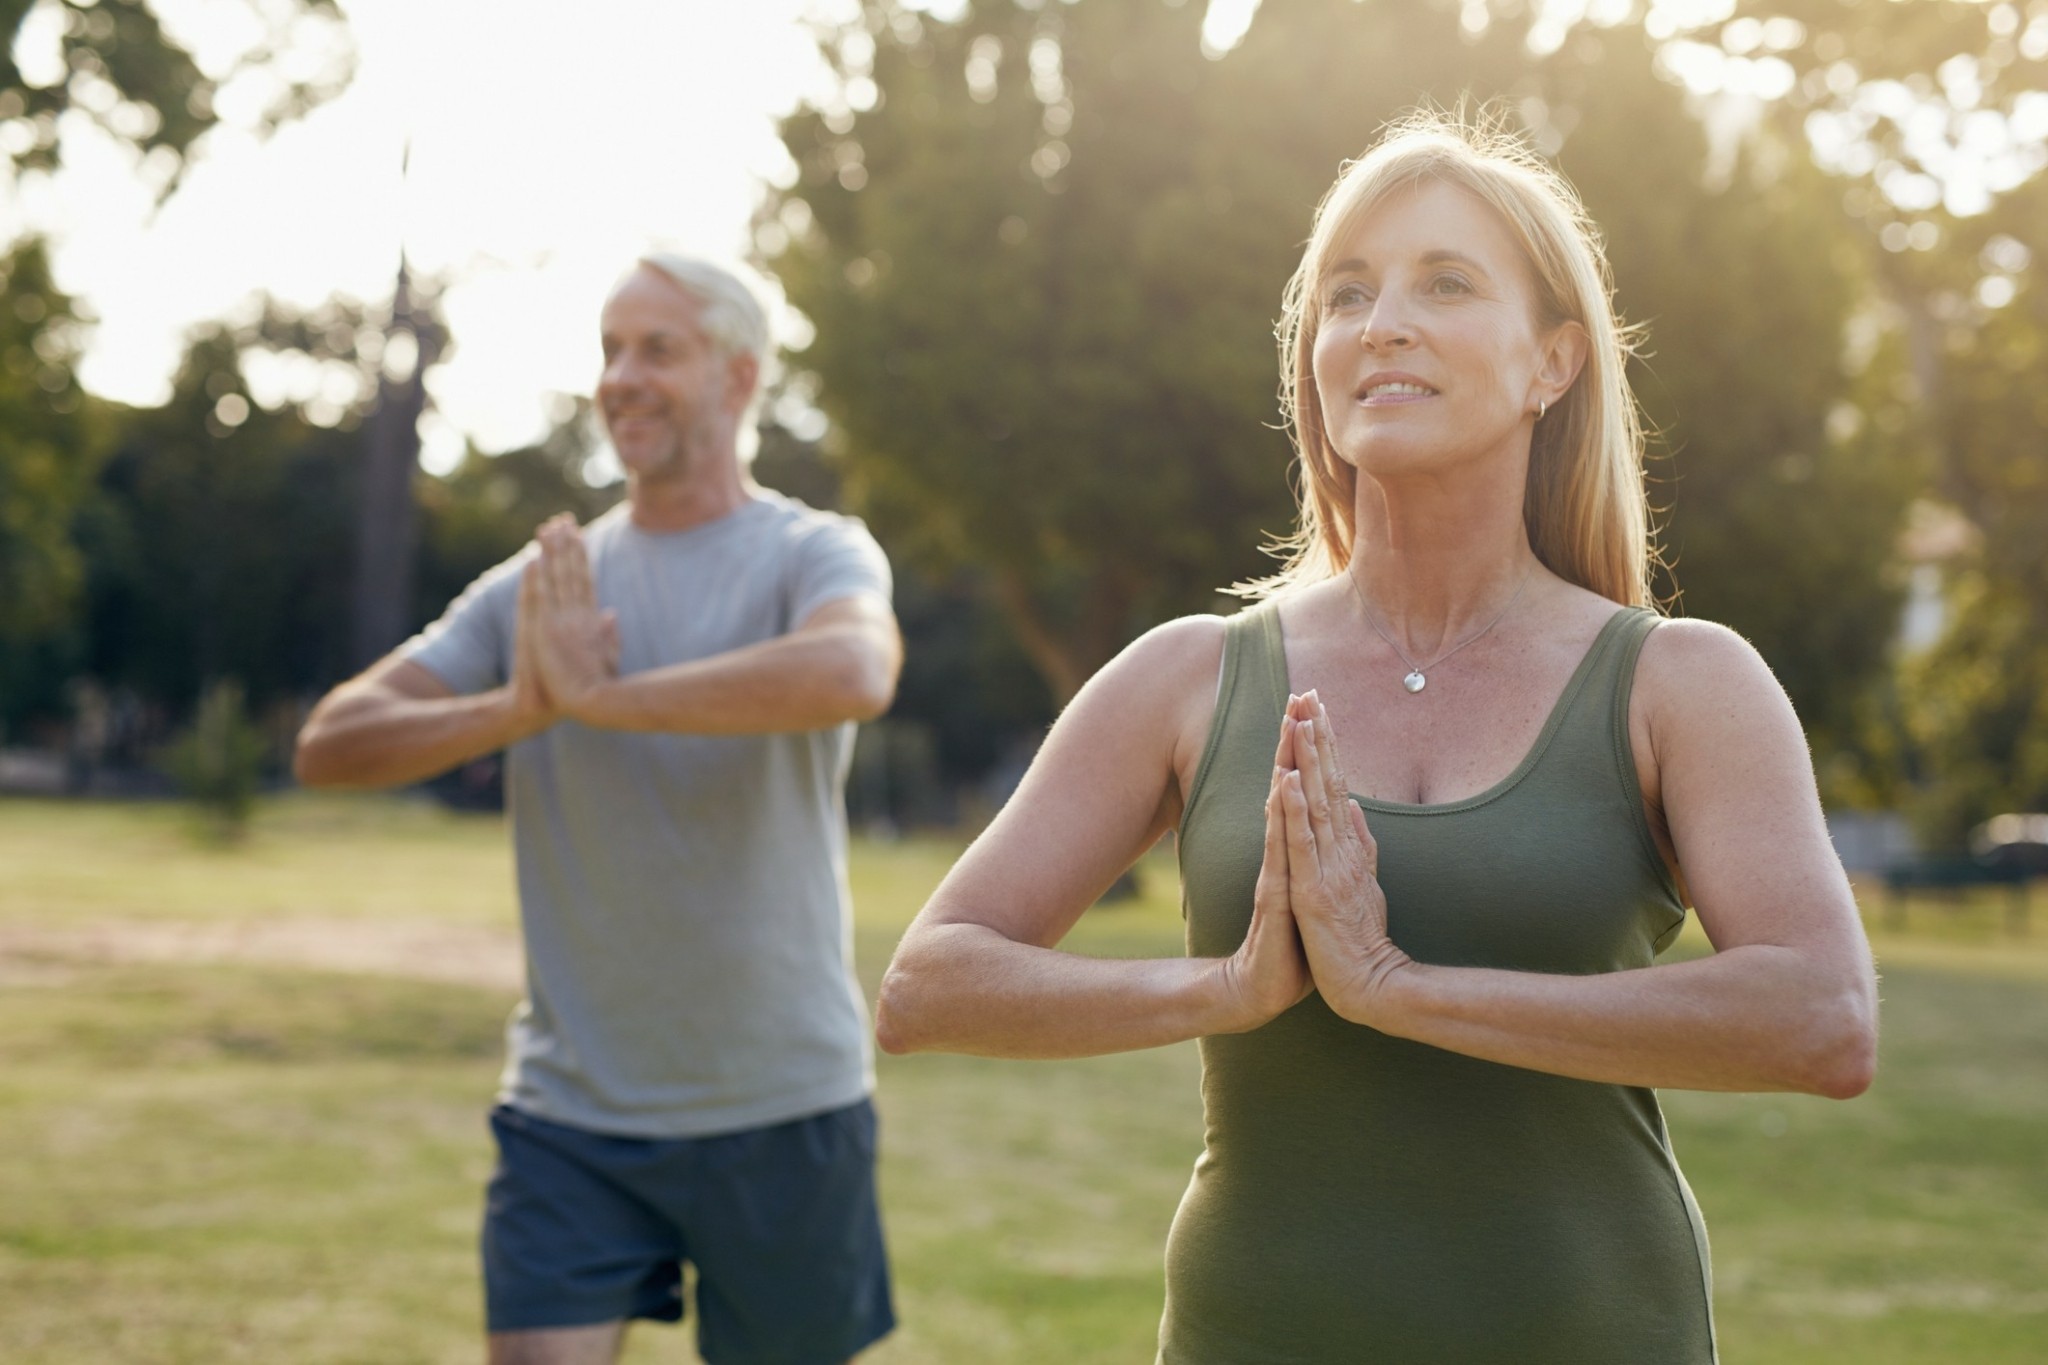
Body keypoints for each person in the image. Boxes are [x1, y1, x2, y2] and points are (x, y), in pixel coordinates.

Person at [873, 113, 1879, 1364]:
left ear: (1550, 365)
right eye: (1345, 295)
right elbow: (928, 985)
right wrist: (1227, 989)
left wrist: (1403, 992)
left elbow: (1820, 1018)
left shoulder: (1680, 682)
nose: (1379, 322)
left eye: (1443, 283)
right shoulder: (1190, 675)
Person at [294, 253, 902, 1365]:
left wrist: (603, 701)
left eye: (655, 350)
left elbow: (852, 670)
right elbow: (332, 743)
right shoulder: (544, 587)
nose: (620, 377)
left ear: (739, 379)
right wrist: (523, 704)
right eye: (609, 350)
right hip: (572, 1114)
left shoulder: (810, 551)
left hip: (782, 1100)